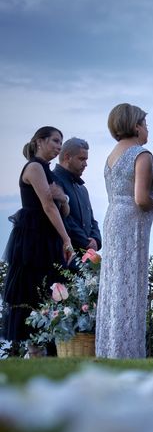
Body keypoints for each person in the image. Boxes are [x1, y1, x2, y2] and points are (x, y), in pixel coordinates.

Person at [96, 103, 153, 359]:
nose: (147, 129)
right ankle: (126, 351)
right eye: (145, 124)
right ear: (136, 126)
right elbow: (141, 199)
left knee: (115, 283)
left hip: (113, 218)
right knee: (130, 283)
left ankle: (109, 348)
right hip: (132, 222)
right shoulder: (141, 155)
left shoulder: (112, 155)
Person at [2, 126, 75, 354]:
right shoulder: (34, 167)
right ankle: (34, 350)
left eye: (61, 143)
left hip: (46, 237)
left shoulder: (49, 171)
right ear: (39, 141)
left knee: (50, 291)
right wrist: (67, 239)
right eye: (54, 141)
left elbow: (63, 209)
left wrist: (63, 197)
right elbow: (47, 205)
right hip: (33, 239)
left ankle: (45, 349)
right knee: (32, 292)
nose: (58, 147)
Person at [53, 137, 102, 256]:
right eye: (81, 159)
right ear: (67, 157)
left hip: (84, 257)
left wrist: (96, 240)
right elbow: (63, 218)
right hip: (62, 255)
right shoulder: (53, 180)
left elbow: (92, 220)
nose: (85, 164)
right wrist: (86, 242)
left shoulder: (82, 188)